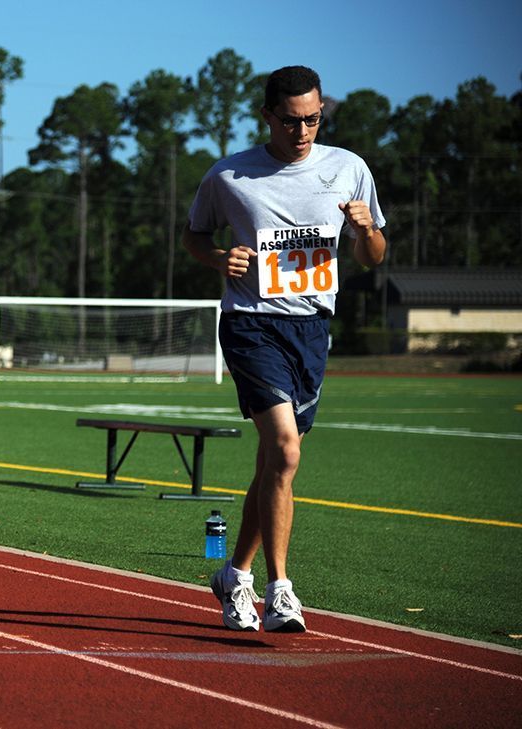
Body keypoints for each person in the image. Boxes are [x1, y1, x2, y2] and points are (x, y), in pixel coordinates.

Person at [183, 66, 387, 633]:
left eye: (314, 119)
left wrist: (366, 229)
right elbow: (194, 235)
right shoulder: (230, 175)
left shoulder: (349, 169)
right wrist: (219, 258)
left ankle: (234, 574)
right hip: (251, 323)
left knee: (276, 462)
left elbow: (373, 255)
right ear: (268, 116)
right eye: (293, 120)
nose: (304, 131)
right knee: (286, 451)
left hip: (312, 329)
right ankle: (281, 590)